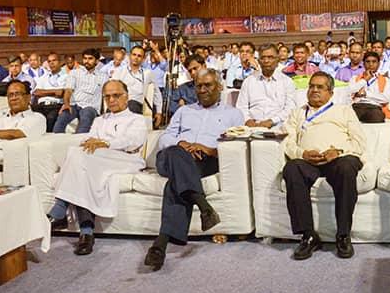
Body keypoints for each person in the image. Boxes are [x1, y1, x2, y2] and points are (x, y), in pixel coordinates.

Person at [144, 69, 244, 271]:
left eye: (208, 85)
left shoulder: (233, 114)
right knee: (175, 153)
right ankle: (203, 205)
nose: (203, 89)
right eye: (199, 86)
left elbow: (235, 143)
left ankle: (160, 244)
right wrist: (181, 143)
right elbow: (165, 137)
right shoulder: (184, 111)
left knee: (176, 183)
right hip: (172, 157)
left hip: (204, 160)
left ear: (219, 87)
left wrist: (209, 149)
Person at [46, 80, 148, 256]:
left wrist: (105, 143)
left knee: (81, 158)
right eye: (107, 97)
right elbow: (90, 140)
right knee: (80, 159)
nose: (111, 100)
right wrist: (94, 143)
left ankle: (61, 207)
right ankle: (86, 232)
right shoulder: (99, 120)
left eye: (116, 95)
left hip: (127, 159)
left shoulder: (136, 119)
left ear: (127, 96)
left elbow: (133, 141)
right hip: (98, 159)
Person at [282, 72, 366, 260]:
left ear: (331, 93)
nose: (314, 90)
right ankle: (308, 236)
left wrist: (338, 151)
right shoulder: (297, 113)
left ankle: (343, 235)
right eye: (311, 86)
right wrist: (302, 154)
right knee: (292, 168)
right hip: (309, 160)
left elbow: (360, 142)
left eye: (320, 87)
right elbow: (287, 142)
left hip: (338, 159)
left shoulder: (344, 111)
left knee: (346, 167)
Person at [237, 44, 296, 128]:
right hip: (252, 126)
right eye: (263, 57)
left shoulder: (287, 82)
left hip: (278, 126)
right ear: (258, 61)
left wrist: (272, 121)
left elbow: (290, 108)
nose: (266, 61)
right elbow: (241, 106)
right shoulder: (249, 81)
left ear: (277, 60)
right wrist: (247, 120)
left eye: (270, 57)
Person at [53, 49, 109, 134]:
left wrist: (105, 112)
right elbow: (68, 90)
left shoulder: (104, 77)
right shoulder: (74, 73)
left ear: (97, 61)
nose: (87, 61)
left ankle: (79, 141)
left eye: (90, 58)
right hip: (74, 105)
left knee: (86, 116)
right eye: (85, 58)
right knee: (62, 117)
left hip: (90, 106)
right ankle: (55, 139)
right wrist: (66, 104)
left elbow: (105, 95)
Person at [113, 45, 163, 125]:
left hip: (135, 105)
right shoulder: (119, 71)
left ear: (143, 59)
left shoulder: (147, 73)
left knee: (131, 105)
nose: (136, 57)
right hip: (119, 104)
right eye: (134, 55)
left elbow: (157, 93)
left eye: (139, 56)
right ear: (129, 56)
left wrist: (159, 112)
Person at [349, 51, 390, 123]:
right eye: (368, 62)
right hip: (357, 106)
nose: (371, 64)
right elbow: (349, 94)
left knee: (376, 116)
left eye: (374, 62)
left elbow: (385, 98)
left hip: (374, 107)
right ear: (363, 64)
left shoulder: (386, 80)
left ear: (379, 64)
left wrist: (365, 94)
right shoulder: (355, 78)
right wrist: (365, 79)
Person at [31, 52, 68, 132]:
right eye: (49, 61)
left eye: (54, 60)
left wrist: (44, 92)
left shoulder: (66, 77)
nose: (51, 63)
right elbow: (36, 92)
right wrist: (54, 92)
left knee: (50, 118)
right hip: (41, 106)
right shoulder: (44, 77)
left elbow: (62, 93)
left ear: (60, 62)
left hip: (55, 106)